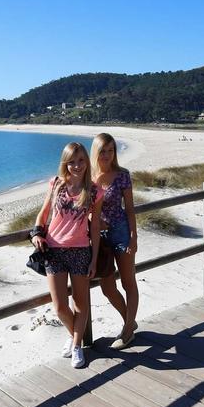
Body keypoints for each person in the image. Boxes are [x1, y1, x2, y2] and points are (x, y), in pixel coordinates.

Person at [31, 142, 104, 369]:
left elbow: (94, 229)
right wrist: (35, 234)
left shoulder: (94, 191)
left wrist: (94, 258)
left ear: (86, 162)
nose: (77, 165)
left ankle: (75, 346)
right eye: (71, 161)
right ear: (65, 163)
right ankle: (75, 337)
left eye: (81, 160)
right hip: (53, 251)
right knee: (60, 308)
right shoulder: (55, 184)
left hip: (81, 251)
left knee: (81, 305)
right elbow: (43, 214)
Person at [90, 133, 139, 349]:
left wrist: (133, 237)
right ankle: (131, 320)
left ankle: (127, 331)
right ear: (96, 152)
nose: (107, 155)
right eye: (103, 151)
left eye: (111, 150)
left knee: (128, 282)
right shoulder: (88, 177)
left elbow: (129, 209)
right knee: (107, 288)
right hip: (99, 238)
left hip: (121, 233)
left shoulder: (122, 175)